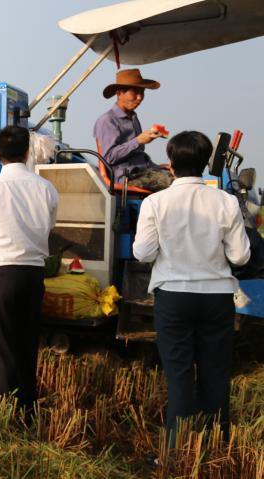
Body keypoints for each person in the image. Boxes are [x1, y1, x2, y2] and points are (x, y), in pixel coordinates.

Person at [133, 131, 250, 450]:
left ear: (170, 165)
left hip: (173, 297)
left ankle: (176, 453)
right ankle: (214, 448)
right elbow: (240, 256)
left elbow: (142, 252)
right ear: (205, 163)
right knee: (216, 375)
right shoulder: (226, 201)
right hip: (217, 298)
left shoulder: (155, 202)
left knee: (180, 376)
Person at [0, 125, 58, 422]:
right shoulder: (47, 188)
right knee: (26, 345)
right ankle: (27, 412)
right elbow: (49, 227)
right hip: (33, 275)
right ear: (27, 152)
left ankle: (3, 417)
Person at [94, 68, 172, 191]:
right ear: (119, 93)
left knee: (182, 176)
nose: (139, 97)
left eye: (142, 93)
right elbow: (109, 157)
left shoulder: (133, 118)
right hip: (128, 178)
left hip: (143, 173)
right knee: (175, 184)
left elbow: (137, 155)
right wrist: (138, 140)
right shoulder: (107, 120)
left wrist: (157, 167)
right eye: (135, 92)